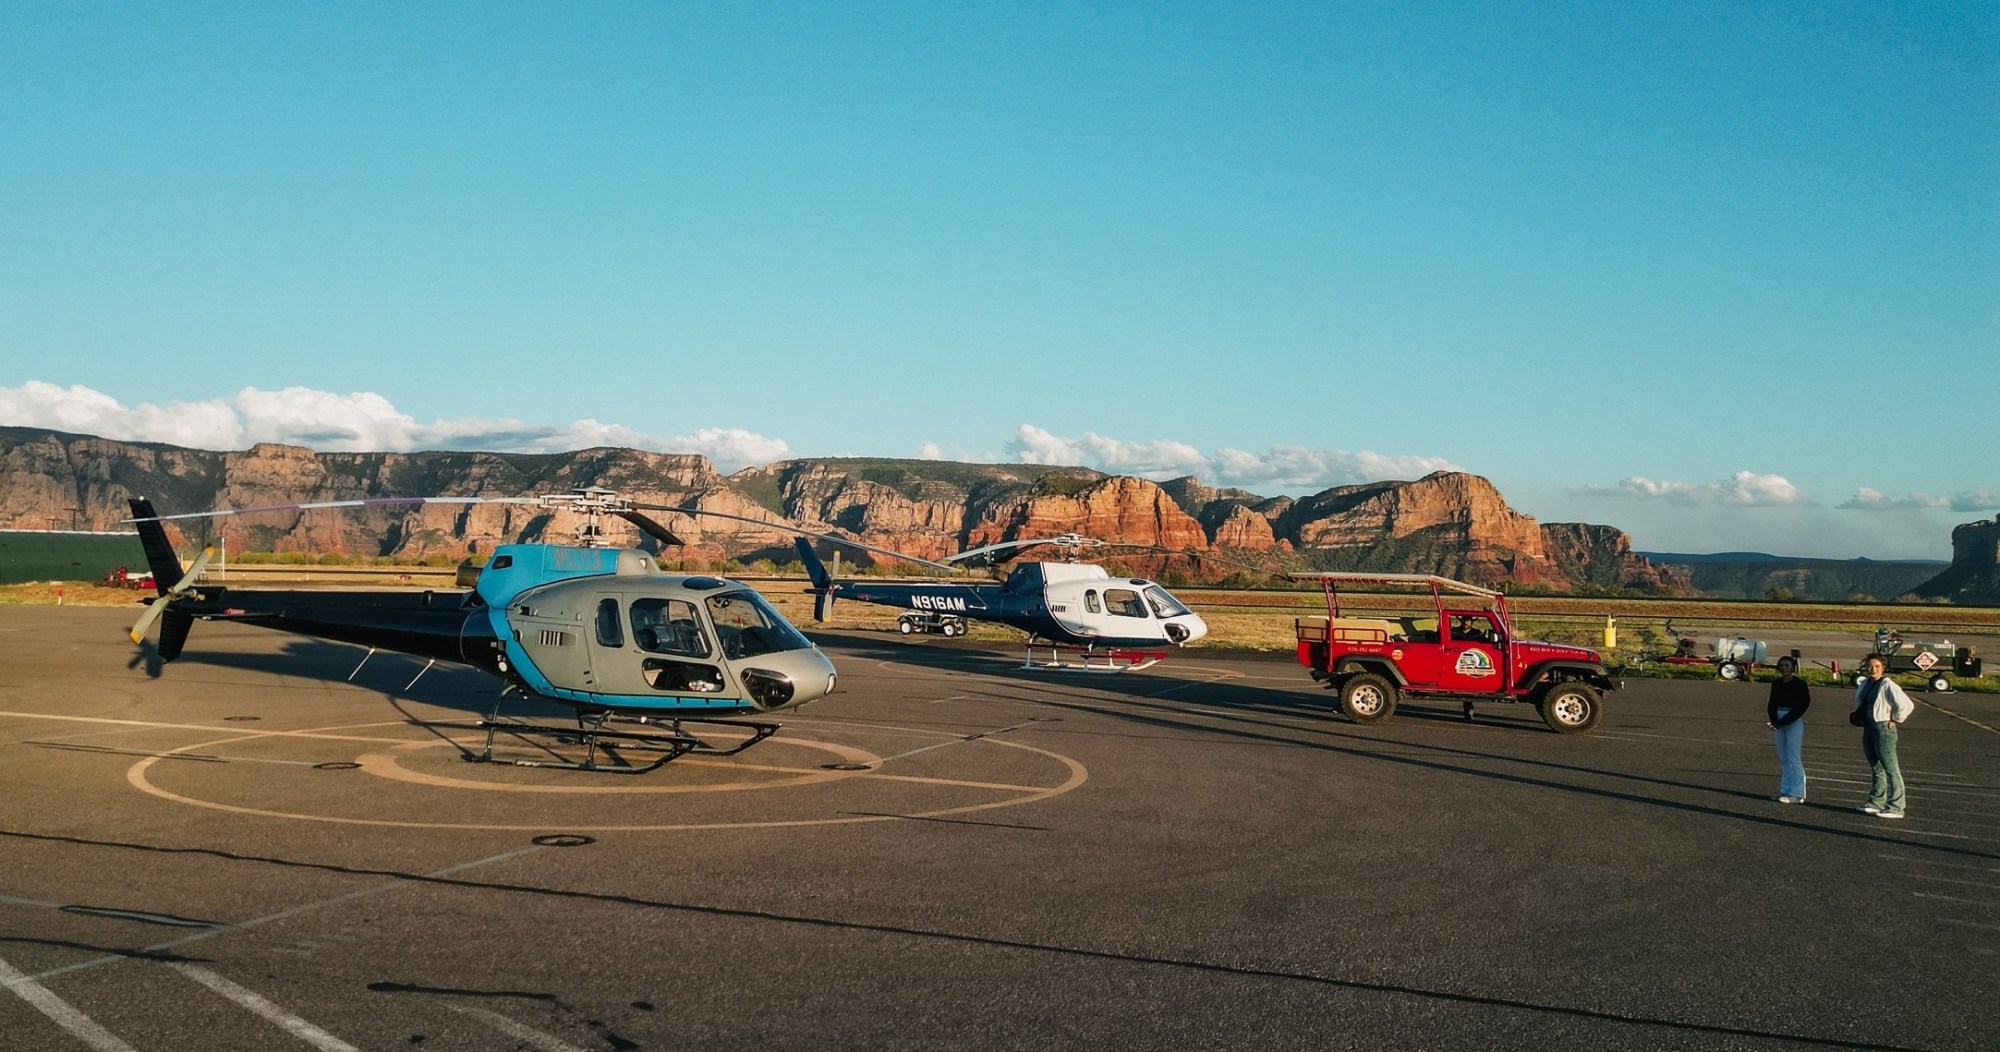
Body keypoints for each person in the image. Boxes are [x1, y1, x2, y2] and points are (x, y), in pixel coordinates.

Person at [1853, 653, 1915, 819]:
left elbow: (1907, 705)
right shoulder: (1865, 683)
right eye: (1870, 666)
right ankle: (1876, 801)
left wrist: (1895, 719)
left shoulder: (1888, 685)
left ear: (1883, 668)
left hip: (1883, 729)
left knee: (1891, 769)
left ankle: (1897, 806)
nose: (1873, 670)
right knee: (1876, 767)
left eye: (1877, 666)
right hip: (1868, 727)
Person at [1766, 656, 1810, 803]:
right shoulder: (1777, 683)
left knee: (1793, 757)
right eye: (1782, 665)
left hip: (1793, 720)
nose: (1784, 668)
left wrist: (1784, 721)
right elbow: (1772, 703)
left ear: (1792, 667)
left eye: (1787, 665)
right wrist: (1774, 720)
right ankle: (1785, 790)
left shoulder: (1799, 684)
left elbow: (1802, 705)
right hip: (1778, 720)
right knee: (1784, 758)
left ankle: (1797, 793)